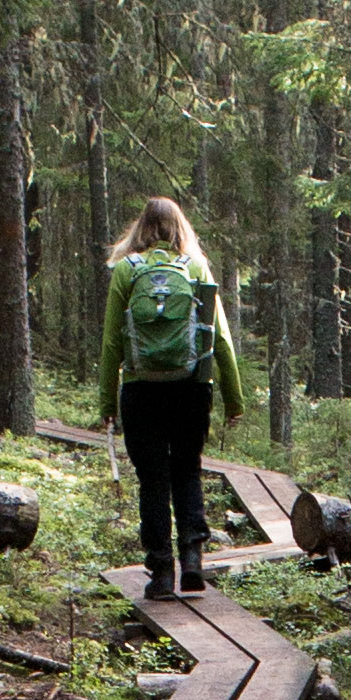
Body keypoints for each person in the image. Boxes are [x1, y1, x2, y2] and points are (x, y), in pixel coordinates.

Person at [96, 195, 245, 600]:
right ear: (180, 228)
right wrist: (234, 399)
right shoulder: (195, 267)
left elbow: (112, 344)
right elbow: (221, 341)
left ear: (140, 228)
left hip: (141, 391)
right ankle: (193, 561)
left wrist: (107, 403)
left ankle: (161, 572)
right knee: (187, 470)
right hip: (190, 388)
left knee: (152, 480)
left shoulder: (127, 271)